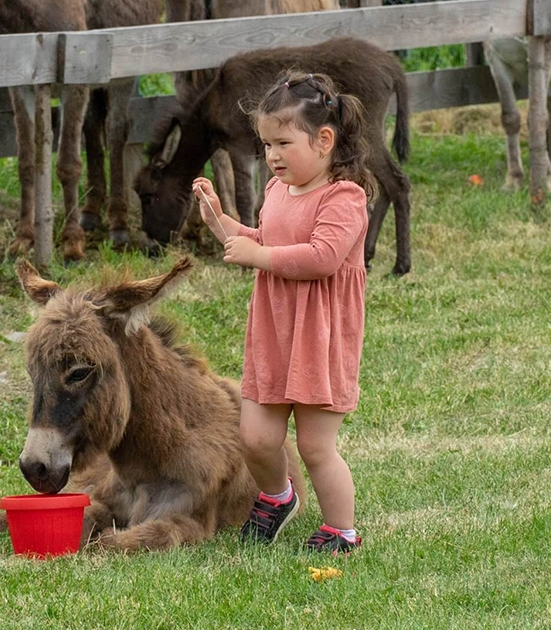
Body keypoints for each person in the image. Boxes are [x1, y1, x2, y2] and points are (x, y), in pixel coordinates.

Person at [192, 71, 370, 554]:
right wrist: (220, 222)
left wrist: (261, 258)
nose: (271, 155)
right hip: (274, 334)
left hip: (319, 339)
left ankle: (341, 530)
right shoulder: (276, 191)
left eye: (282, 143)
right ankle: (276, 496)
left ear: (324, 140)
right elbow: (261, 242)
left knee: (314, 447)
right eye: (266, 144)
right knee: (255, 438)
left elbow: (322, 257)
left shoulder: (345, 197)